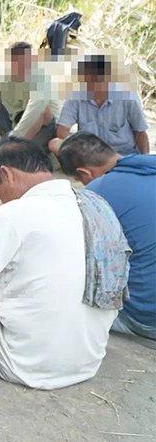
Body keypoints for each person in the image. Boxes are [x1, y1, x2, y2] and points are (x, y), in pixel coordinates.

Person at [0, 138, 121, 389]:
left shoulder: (15, 213)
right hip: (86, 361)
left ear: (6, 174)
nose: (0, 198)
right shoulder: (98, 207)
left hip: (20, 362)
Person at [58, 133, 156, 342]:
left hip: (146, 320)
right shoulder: (149, 165)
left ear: (84, 172)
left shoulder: (99, 190)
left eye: (80, 180)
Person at [48, 54, 149, 157]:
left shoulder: (128, 96)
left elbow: (140, 132)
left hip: (123, 154)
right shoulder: (75, 97)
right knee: (55, 143)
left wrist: (145, 159)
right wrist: (86, 145)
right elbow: (62, 132)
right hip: (90, 154)